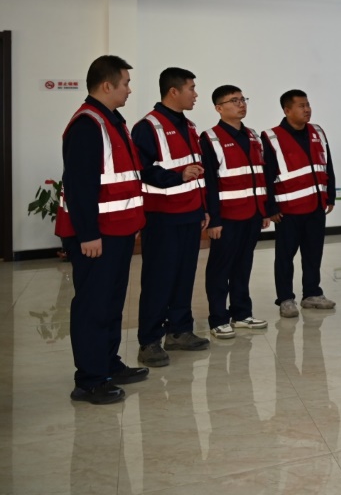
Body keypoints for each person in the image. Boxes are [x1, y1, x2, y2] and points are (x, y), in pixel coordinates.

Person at [57, 55, 150, 403]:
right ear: (107, 85)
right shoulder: (88, 124)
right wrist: (88, 235)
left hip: (118, 230)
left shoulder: (113, 121)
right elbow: (79, 186)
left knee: (111, 303)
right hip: (97, 235)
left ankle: (109, 364)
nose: (129, 89)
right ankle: (90, 380)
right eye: (125, 83)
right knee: (93, 306)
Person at [133, 67, 210, 367]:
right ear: (173, 91)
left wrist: (202, 207)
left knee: (184, 275)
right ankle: (149, 341)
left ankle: (179, 331)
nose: (196, 94)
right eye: (191, 88)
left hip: (190, 213)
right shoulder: (147, 127)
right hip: (162, 216)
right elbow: (141, 170)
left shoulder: (189, 126)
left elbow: (197, 171)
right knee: (158, 278)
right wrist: (177, 176)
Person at [200, 86, 271, 339]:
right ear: (219, 108)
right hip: (226, 217)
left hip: (252, 214)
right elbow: (209, 182)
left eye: (242, 99)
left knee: (243, 265)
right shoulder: (210, 138)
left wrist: (263, 210)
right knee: (220, 268)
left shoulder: (252, 136)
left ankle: (241, 313)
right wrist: (214, 220)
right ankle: (218, 318)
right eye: (234, 100)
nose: (241, 104)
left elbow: (260, 175)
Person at [262, 90, 336, 317]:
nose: (307, 109)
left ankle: (312, 293)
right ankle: (285, 298)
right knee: (285, 257)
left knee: (313, 253)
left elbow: (327, 165)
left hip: (315, 206)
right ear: (287, 110)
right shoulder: (271, 138)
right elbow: (266, 176)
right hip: (288, 210)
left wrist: (330, 195)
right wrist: (271, 208)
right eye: (301, 106)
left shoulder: (317, 132)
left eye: (308, 105)